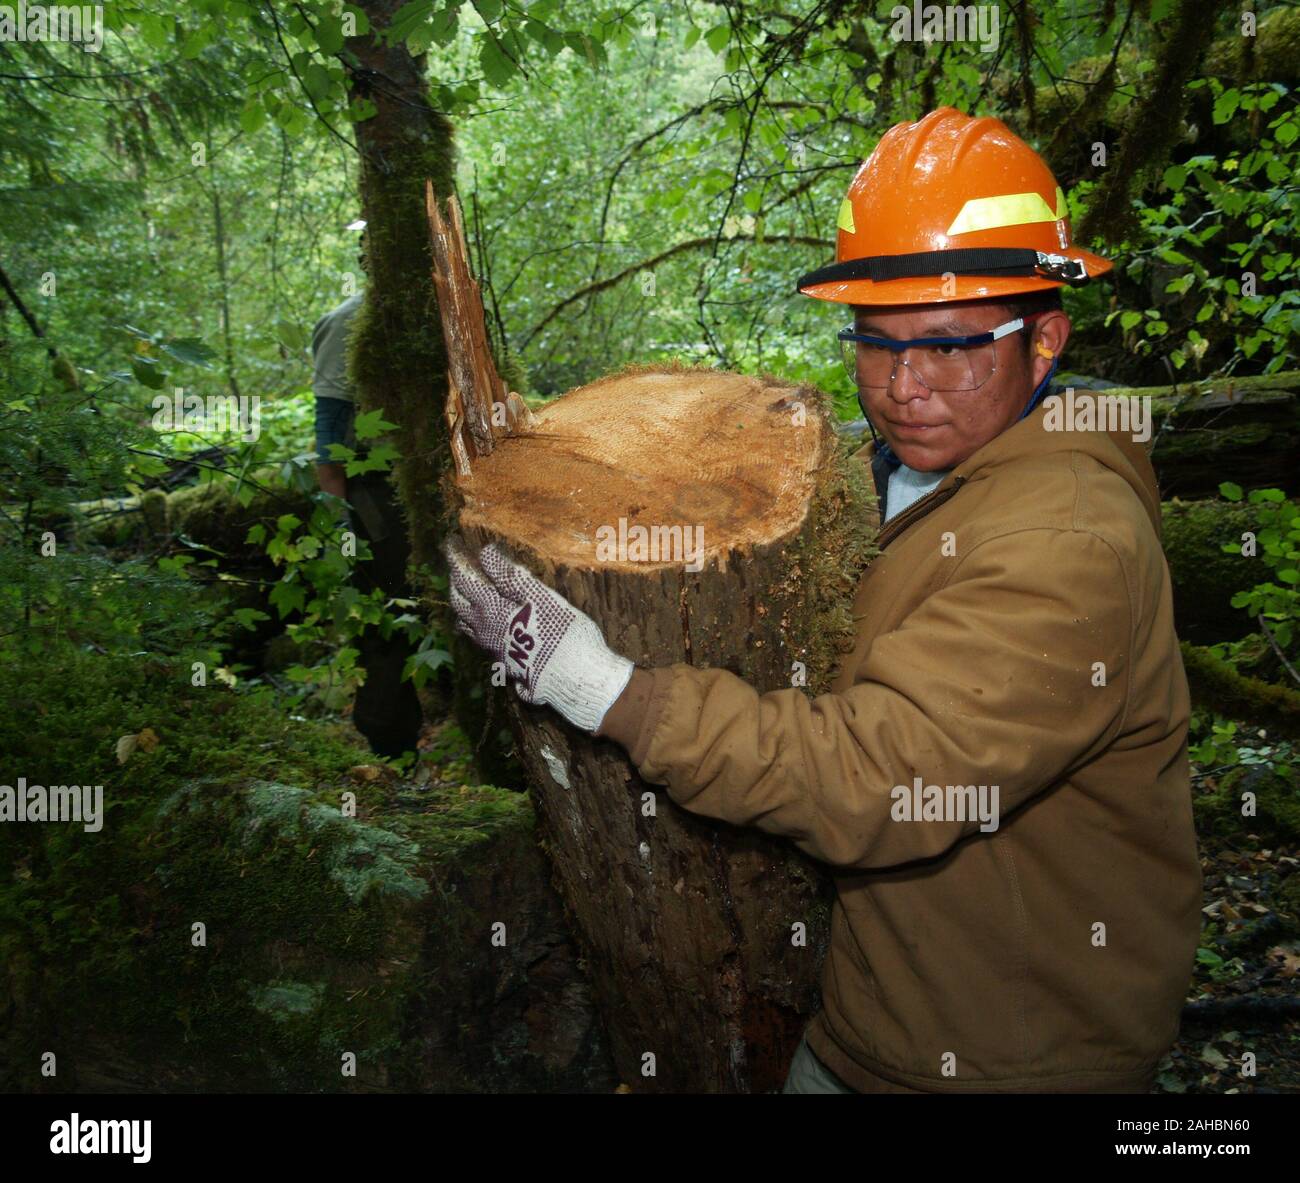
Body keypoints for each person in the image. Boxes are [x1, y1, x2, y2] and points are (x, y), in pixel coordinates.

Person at [444, 107, 1202, 1093]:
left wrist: (598, 686)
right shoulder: (925, 470)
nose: (902, 386)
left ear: (1043, 339)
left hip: (1002, 1055)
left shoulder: (1068, 541)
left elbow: (882, 776)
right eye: (875, 343)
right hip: (885, 1004)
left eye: (948, 345)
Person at [311, 282, 423, 760]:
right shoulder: (349, 322)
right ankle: (389, 748)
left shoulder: (431, 308)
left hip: (425, 480)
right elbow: (331, 418)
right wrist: (339, 502)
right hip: (375, 491)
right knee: (389, 615)